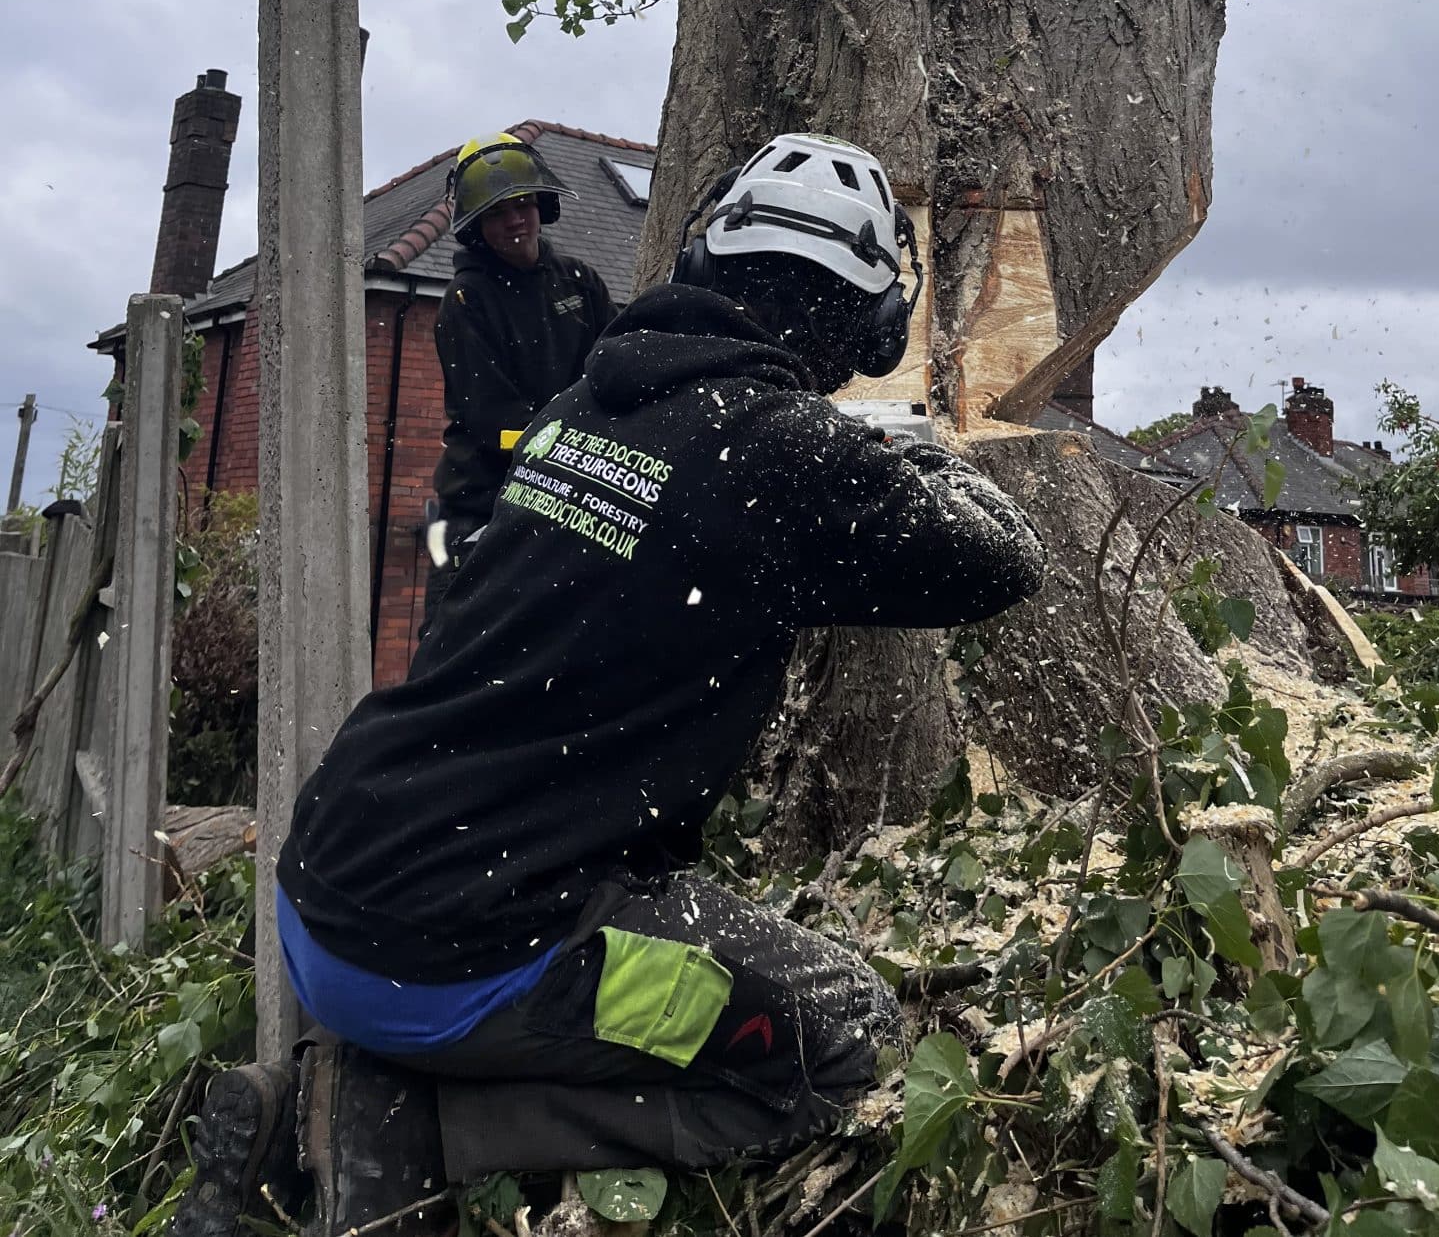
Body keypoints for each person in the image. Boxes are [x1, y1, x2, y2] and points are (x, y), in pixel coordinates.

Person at [173, 133, 1047, 1236]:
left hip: (325, 891)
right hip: (463, 958)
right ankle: (395, 1125)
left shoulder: (583, 402)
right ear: (864, 316)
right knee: (847, 1037)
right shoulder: (784, 451)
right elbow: (1001, 559)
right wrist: (910, 447)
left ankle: (355, 1091)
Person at [425, 132, 616, 629]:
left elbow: (616, 368)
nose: (514, 220)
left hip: (570, 496)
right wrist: (579, 446)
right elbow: (493, 420)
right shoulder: (467, 302)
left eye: (523, 204)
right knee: (455, 649)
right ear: (475, 225)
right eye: (496, 212)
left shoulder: (580, 281)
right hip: (482, 507)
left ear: (542, 206)